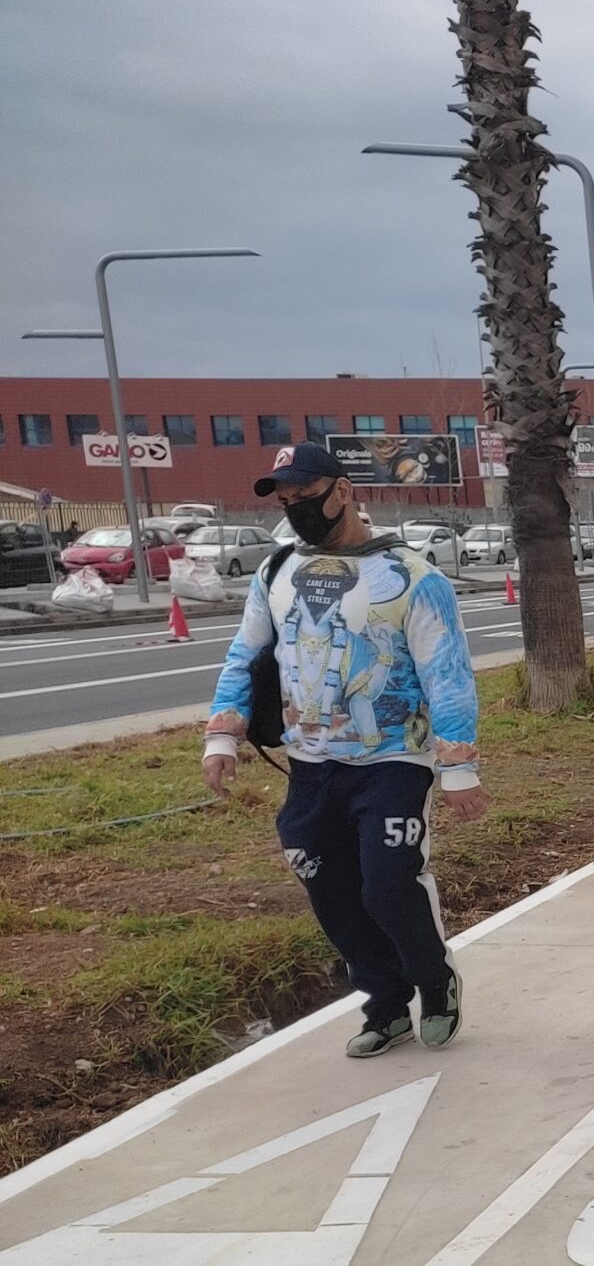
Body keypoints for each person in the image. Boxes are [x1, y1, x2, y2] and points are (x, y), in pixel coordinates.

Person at [203, 442, 488, 1057]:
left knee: (387, 883)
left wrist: (459, 766)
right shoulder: (276, 573)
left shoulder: (413, 576)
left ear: (343, 490)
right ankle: (385, 1004)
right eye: (286, 502)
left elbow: (448, 673)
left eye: (306, 498)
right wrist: (222, 734)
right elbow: (245, 656)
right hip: (311, 763)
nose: (296, 510)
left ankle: (435, 985)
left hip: (393, 759)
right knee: (325, 884)